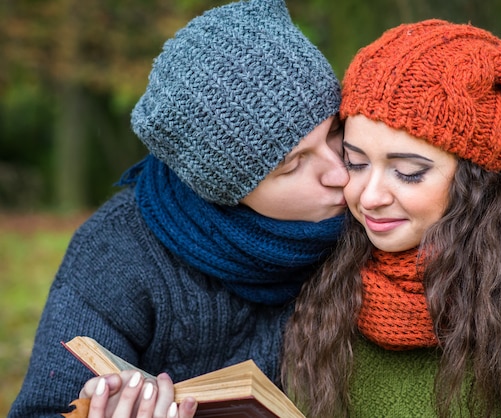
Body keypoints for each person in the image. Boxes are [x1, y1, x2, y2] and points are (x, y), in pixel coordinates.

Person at [8, 0, 349, 416]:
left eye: (334, 132)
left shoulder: (377, 216)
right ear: (223, 188)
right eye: (294, 164)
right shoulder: (116, 253)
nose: (341, 173)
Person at [282, 19, 501, 417]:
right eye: (355, 163)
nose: (370, 197)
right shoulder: (330, 275)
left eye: (408, 171)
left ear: (476, 177)